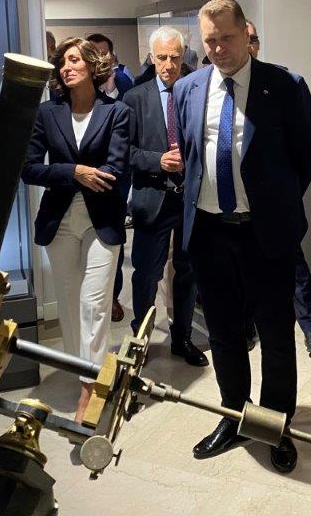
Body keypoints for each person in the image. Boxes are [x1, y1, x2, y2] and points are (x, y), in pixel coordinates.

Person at [173, 0, 311, 473]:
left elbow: (308, 155)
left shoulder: (284, 85)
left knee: (276, 335)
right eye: (210, 41)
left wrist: (274, 202)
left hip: (264, 233)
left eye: (227, 38)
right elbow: (191, 156)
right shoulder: (188, 88)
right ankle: (234, 415)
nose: (218, 48)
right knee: (223, 333)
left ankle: (275, 424)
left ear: (246, 34)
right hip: (209, 233)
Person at [21, 37, 131, 422]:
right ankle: (83, 369)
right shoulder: (46, 113)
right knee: (69, 305)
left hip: (102, 218)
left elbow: (116, 168)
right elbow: (29, 168)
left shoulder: (117, 112)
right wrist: (75, 172)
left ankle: (91, 387)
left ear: (91, 65)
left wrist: (84, 174)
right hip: (60, 218)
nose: (65, 68)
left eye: (73, 60)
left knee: (94, 303)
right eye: (61, 62)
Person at [123, 26, 208, 368]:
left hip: (190, 200)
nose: (168, 65)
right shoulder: (135, 98)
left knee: (187, 272)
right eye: (161, 57)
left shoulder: (196, 92)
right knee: (146, 274)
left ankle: (182, 338)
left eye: (174, 57)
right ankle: (140, 340)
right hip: (153, 198)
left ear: (183, 56)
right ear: (151, 57)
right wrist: (156, 160)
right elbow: (124, 152)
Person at [245, 20, 311, 359]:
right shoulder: (214, 89)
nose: (247, 45)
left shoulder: (284, 83)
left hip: (277, 206)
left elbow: (308, 150)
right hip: (236, 210)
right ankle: (248, 328)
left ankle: (309, 328)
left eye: (252, 38)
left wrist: (288, 192)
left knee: (295, 267)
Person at [87, 32, 134, 323]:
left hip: (116, 178)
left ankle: (113, 295)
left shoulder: (127, 85)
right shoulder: (74, 88)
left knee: (111, 238)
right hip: (83, 176)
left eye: (104, 52)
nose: (100, 58)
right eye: (94, 52)